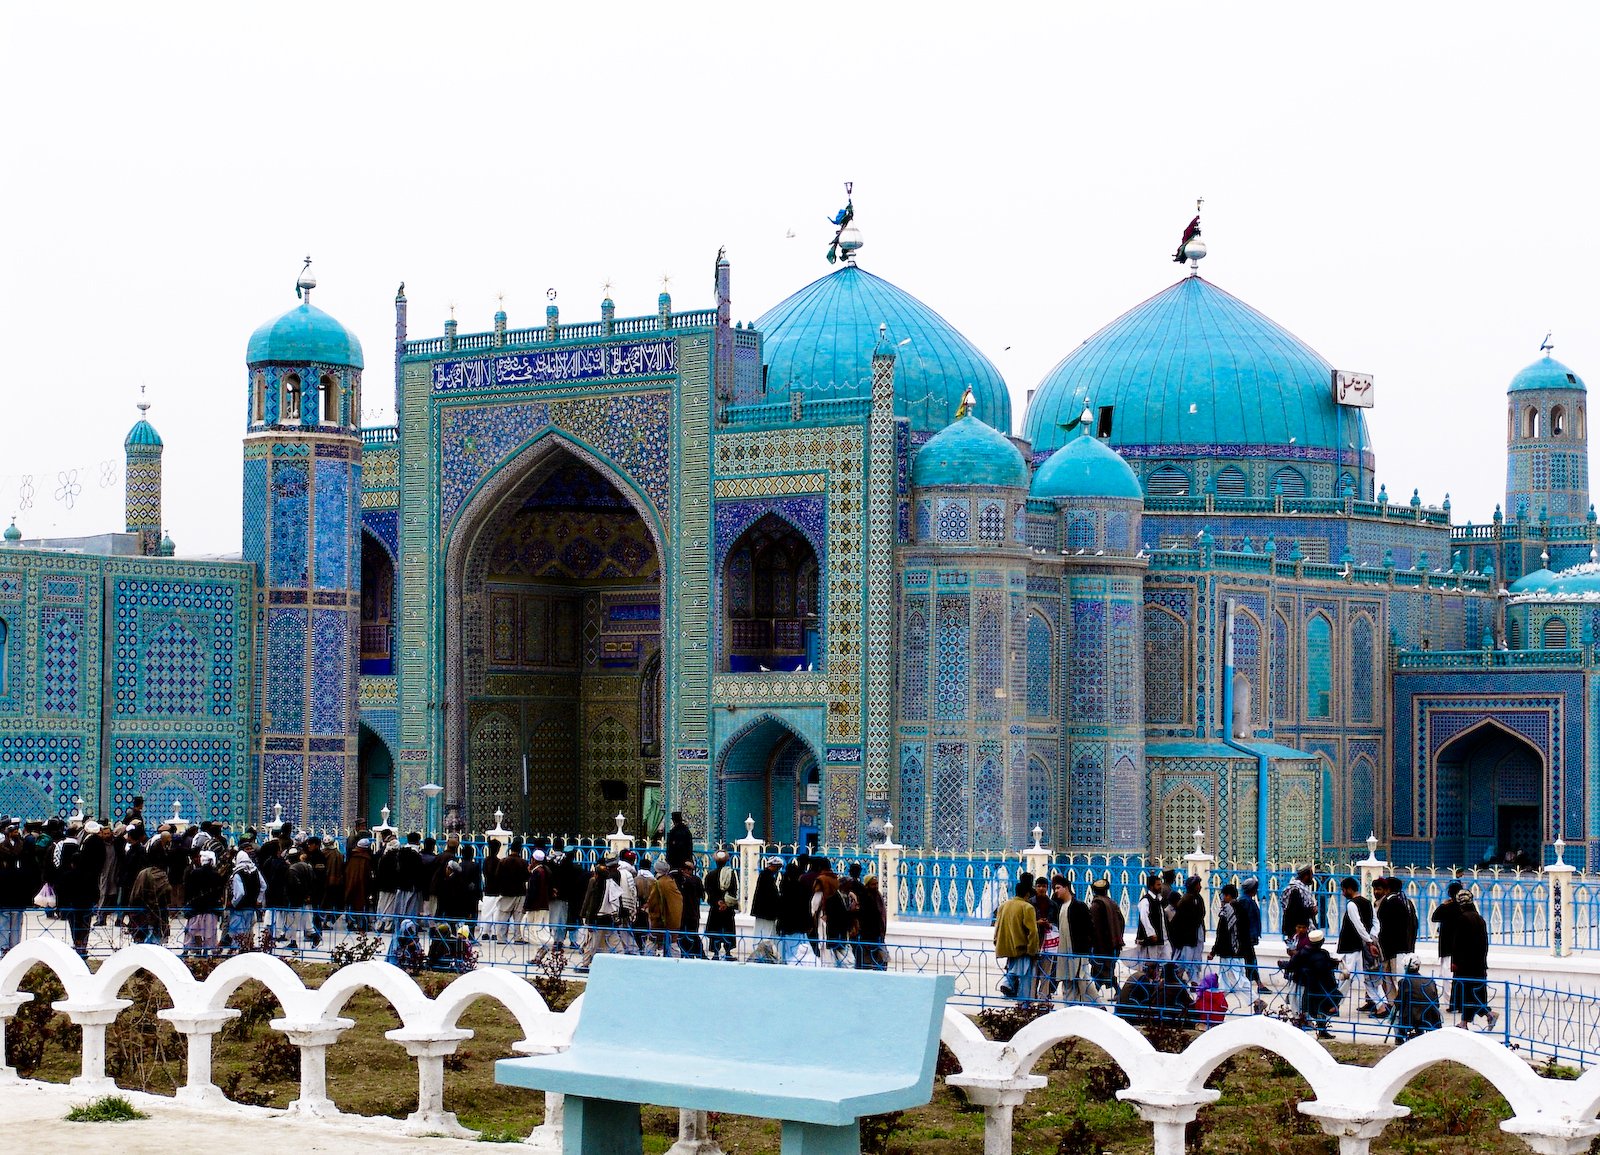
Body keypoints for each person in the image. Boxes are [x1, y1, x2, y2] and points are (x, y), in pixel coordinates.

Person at [1335, 876, 1385, 1015]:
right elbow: (1376, 923)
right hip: (1363, 945)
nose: (1343, 893)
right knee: (1369, 977)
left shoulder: (1352, 904)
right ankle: (1381, 1004)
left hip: (1352, 946)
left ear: (1349, 889)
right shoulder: (1367, 902)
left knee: (1347, 975)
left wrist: (1368, 941)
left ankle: (1335, 1004)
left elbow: (1358, 925)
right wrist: (1372, 938)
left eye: (1343, 890)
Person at [1282, 928, 1339, 1039]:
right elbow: (1326, 970)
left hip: (1303, 985)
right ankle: (1321, 1029)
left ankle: (1302, 1030)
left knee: (1302, 1008)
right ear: (1322, 942)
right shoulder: (1323, 954)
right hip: (1318, 987)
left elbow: (1291, 965)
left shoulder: (1302, 952)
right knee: (1320, 1008)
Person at [1451, 890, 1497, 1030]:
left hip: (1465, 965)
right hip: (1479, 964)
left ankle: (1485, 1015)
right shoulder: (1479, 918)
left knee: (1467, 994)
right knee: (1474, 993)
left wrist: (1455, 961)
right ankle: (1467, 1021)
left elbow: (1458, 943)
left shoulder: (1462, 919)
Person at [994, 879, 1041, 1000]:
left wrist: (997, 942)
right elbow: (1033, 932)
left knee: (1012, 970)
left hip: (1007, 947)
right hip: (1023, 949)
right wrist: (1033, 950)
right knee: (1025, 980)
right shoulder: (1027, 907)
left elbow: (997, 926)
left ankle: (1008, 985)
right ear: (1028, 894)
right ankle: (1024, 1004)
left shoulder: (1004, 906)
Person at [1376, 876, 1419, 1006]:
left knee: (1393, 978)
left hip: (1392, 947)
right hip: (1402, 946)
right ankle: (1395, 1004)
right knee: (1394, 978)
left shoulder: (1390, 902)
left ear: (1387, 888)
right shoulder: (1406, 902)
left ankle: (1397, 1004)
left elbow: (1384, 926)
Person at [1207, 882, 1251, 1007]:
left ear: (1228, 896)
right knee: (1224, 982)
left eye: (1223, 895)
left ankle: (1256, 1000)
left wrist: (1213, 951)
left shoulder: (1226, 911)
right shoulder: (1242, 909)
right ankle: (1217, 1005)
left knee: (1237, 980)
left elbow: (1221, 934)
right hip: (1239, 951)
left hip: (1228, 952)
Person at [1431, 879, 1464, 1016]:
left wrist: (1443, 905)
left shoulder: (1447, 907)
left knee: (1448, 977)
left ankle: (1451, 1003)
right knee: (1459, 977)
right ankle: (1459, 1003)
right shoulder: (1464, 908)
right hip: (1461, 947)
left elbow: (1434, 917)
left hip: (1448, 947)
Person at [1088, 877, 1125, 997]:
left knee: (1102, 971)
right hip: (1113, 945)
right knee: (1103, 972)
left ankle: (1094, 997)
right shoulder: (1112, 903)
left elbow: (1093, 927)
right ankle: (1097, 996)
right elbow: (1121, 922)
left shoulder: (1096, 906)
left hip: (1102, 946)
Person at [183, 848, 225, 956]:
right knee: (209, 932)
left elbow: (188, 890)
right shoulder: (216, 875)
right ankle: (208, 951)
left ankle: (197, 950)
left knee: (195, 931)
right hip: (211, 908)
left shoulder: (194, 873)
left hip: (195, 908)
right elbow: (219, 892)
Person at [1392, 957, 1442, 1041]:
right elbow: (1437, 1003)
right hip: (1431, 1016)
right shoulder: (1430, 981)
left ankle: (1399, 1038)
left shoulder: (1404, 981)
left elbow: (1399, 1002)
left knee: (1395, 1012)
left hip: (1412, 1017)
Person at [1236, 878, 1269, 996]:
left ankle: (1254, 983)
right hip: (1246, 937)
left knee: (1249, 959)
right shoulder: (1245, 901)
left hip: (1247, 936)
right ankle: (1257, 984)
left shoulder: (1247, 900)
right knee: (1250, 960)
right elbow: (1245, 920)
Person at [705, 850, 739, 960]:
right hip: (727, 909)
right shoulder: (731, 874)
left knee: (715, 931)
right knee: (728, 930)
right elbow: (734, 890)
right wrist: (726, 903)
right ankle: (728, 953)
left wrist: (717, 902)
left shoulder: (710, 875)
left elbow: (708, 891)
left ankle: (715, 953)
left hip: (715, 909)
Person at [645, 859, 683, 956]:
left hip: (660, 921)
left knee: (652, 942)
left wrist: (651, 914)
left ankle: (648, 960)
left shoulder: (659, 883)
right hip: (673, 921)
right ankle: (676, 961)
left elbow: (653, 902)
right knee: (672, 943)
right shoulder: (671, 882)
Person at [1171, 875, 1207, 978]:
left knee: (1195, 959)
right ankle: (1178, 979)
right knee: (1184, 960)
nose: (1200, 887)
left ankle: (1193, 980)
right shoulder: (1186, 900)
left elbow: (1201, 915)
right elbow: (1181, 920)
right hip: (1187, 937)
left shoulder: (1198, 898)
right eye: (1198, 885)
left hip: (1196, 935)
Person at [749, 855, 783, 963]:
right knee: (765, 934)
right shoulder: (767, 877)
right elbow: (771, 896)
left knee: (764, 933)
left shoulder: (765, 876)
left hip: (764, 912)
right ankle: (763, 954)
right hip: (766, 913)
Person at [225, 850, 261, 948]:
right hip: (251, 908)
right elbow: (263, 886)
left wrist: (233, 903)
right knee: (247, 932)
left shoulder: (238, 873)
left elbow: (240, 893)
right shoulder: (255, 871)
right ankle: (246, 949)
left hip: (239, 909)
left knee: (238, 934)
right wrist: (258, 900)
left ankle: (237, 951)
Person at [1134, 873, 1170, 962]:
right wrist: (1151, 934)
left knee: (1167, 961)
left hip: (1163, 938)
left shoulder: (1159, 899)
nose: (1160, 887)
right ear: (1151, 886)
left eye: (1160, 884)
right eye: (1158, 885)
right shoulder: (1146, 900)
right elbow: (1144, 918)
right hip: (1152, 940)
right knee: (1152, 963)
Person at [857, 874, 889, 970]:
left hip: (878, 933)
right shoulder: (864, 897)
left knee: (882, 958)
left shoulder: (877, 896)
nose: (875, 886)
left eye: (876, 884)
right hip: (868, 935)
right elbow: (864, 917)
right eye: (873, 884)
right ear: (867, 885)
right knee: (868, 960)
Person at [1282, 866, 1320, 945]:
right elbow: (1296, 912)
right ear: (1306, 876)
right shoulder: (1296, 890)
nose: (1312, 877)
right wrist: (1311, 911)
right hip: (1299, 931)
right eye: (1311, 875)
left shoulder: (1300, 888)